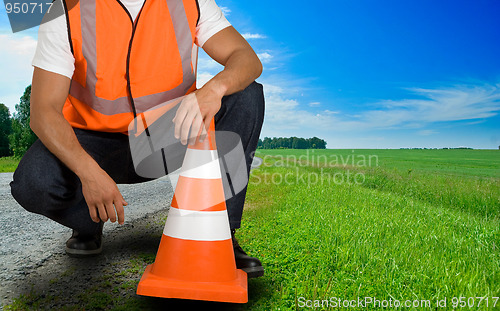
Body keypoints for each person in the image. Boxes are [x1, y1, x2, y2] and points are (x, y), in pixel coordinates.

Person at [10, 0, 265, 278]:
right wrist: (89, 173)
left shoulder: (190, 2)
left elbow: (246, 58)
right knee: (32, 182)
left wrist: (214, 89)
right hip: (93, 142)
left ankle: (220, 235)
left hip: (168, 134)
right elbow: (43, 112)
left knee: (245, 95)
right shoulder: (65, 10)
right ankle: (88, 221)